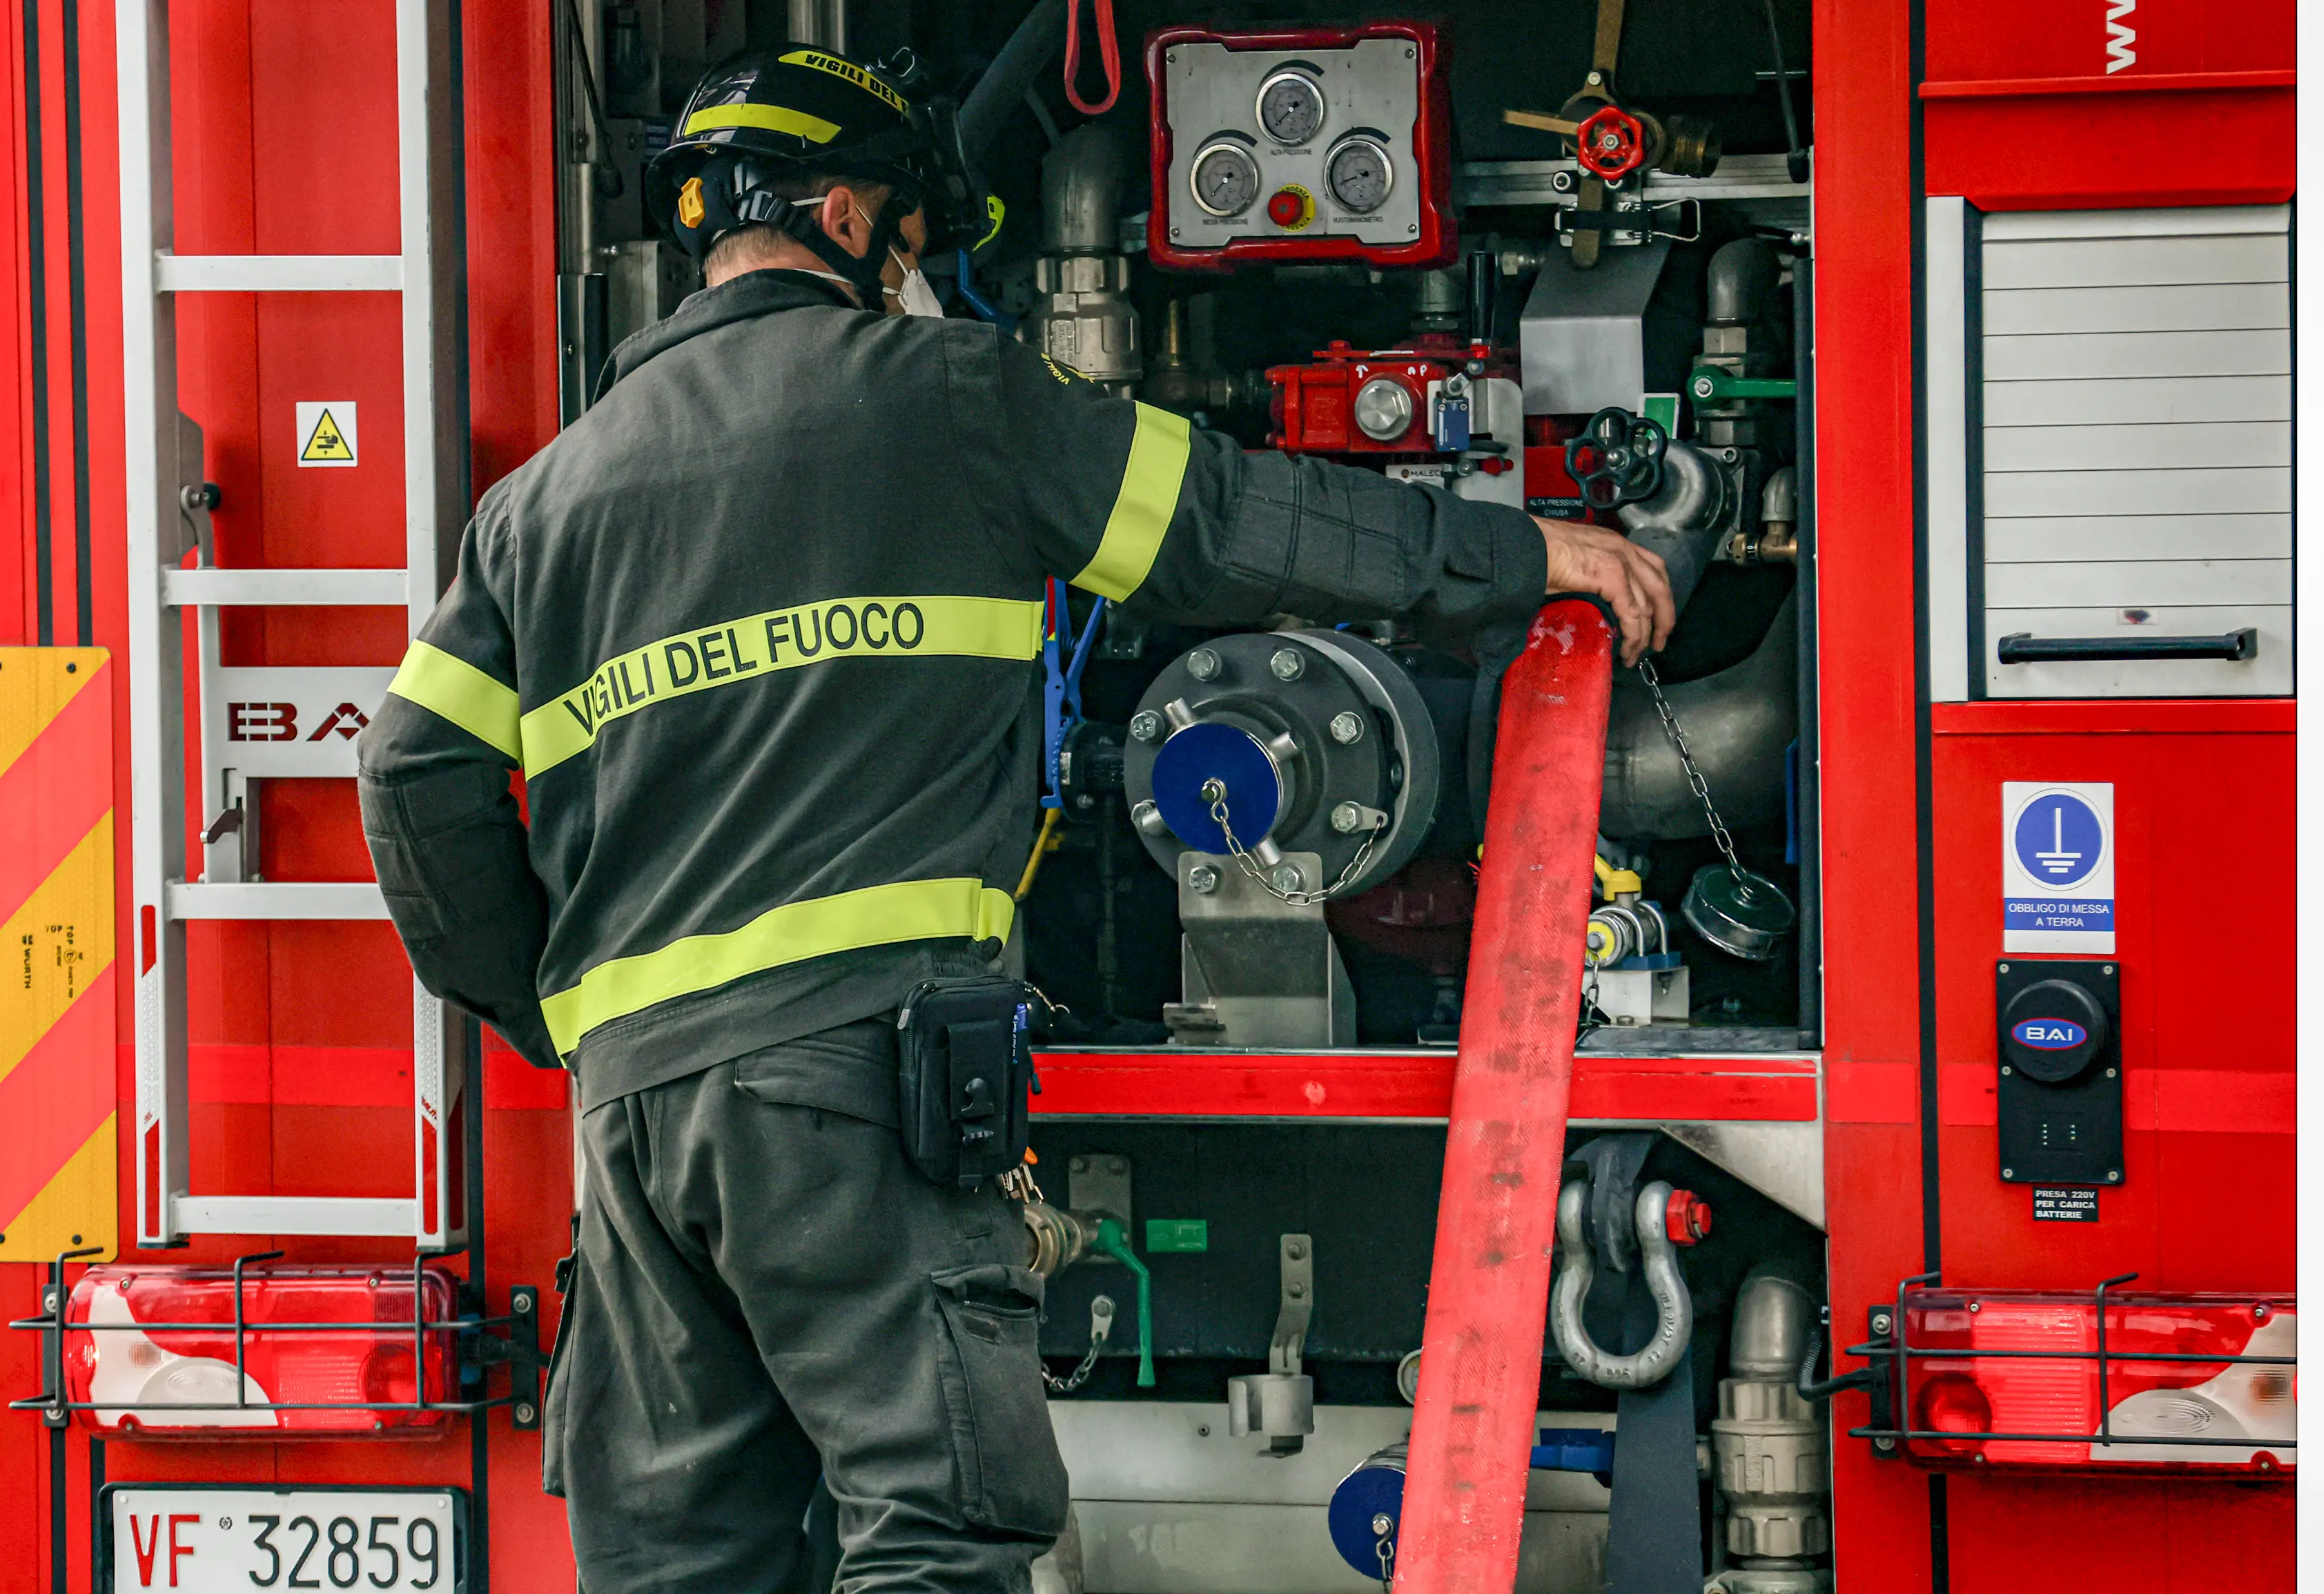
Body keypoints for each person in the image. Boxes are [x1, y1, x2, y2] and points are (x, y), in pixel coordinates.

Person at [356, 44, 1674, 1594]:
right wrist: (1519, 555)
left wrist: (552, 1008)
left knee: (680, 1566)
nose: (919, 270)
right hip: (847, 1082)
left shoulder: (543, 501)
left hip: (636, 1128)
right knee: (935, 1529)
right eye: (914, 237)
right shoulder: (950, 396)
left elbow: (408, 774)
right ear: (847, 215)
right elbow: (1234, 528)